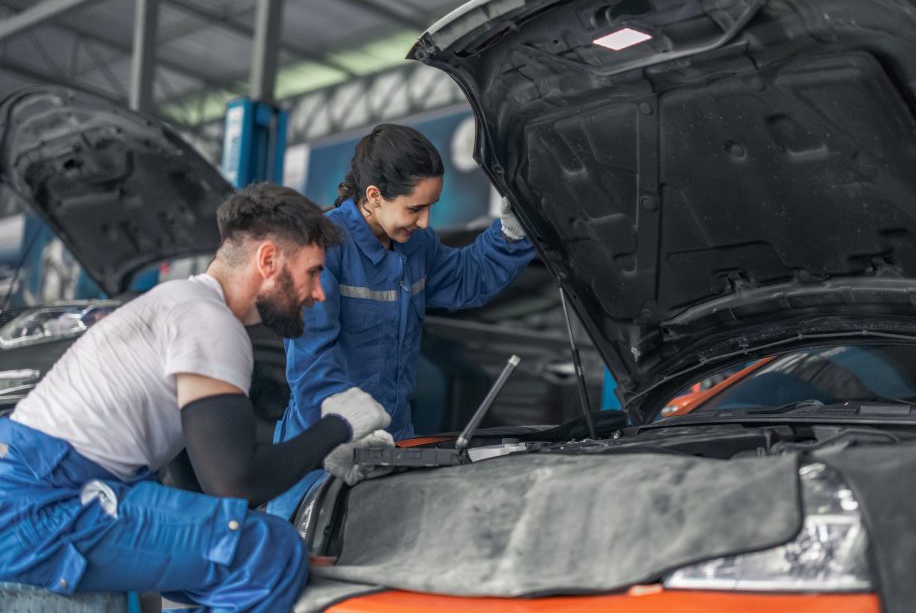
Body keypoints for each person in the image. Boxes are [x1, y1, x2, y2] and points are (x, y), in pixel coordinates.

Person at [0, 183, 391, 612]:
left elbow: (204, 485)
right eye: (312, 272)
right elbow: (234, 481)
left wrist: (320, 452)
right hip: (43, 505)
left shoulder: (179, 304)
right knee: (268, 549)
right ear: (267, 260)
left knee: (224, 555)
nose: (318, 292)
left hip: (39, 493)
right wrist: (338, 426)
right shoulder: (209, 322)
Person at [269, 123, 534, 518]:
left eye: (431, 207)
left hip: (394, 443)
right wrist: (340, 432)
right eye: (415, 208)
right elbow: (311, 364)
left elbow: (465, 280)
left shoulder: (416, 246)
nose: (425, 222)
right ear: (373, 196)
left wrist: (511, 234)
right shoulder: (322, 248)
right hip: (320, 452)